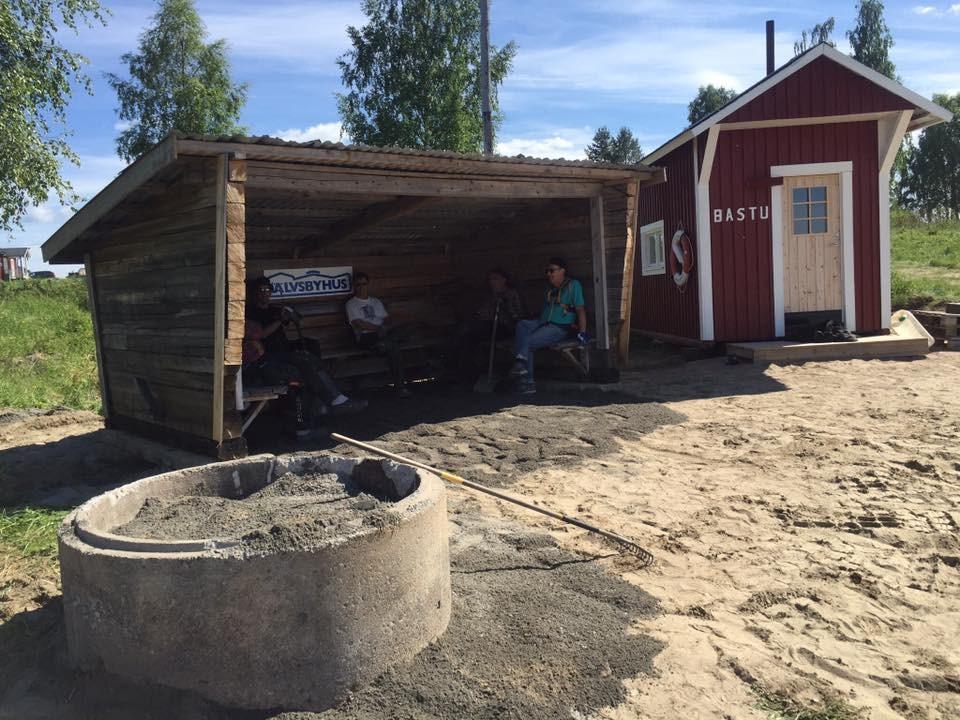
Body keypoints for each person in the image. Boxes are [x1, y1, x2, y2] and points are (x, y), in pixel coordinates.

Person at [246, 276, 366, 415]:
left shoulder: (275, 310)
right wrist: (280, 320)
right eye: (261, 290)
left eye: (268, 289)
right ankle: (333, 399)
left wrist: (292, 313)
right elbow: (262, 334)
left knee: (311, 345)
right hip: (266, 353)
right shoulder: (251, 312)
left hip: (283, 347)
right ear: (255, 293)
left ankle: (323, 394)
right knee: (303, 359)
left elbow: (298, 321)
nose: (265, 292)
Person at [508, 257, 588, 395]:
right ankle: (521, 364)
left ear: (563, 271)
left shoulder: (573, 285)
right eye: (547, 271)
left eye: (552, 271)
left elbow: (580, 310)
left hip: (560, 327)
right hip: (543, 323)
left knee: (528, 343)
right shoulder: (549, 289)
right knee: (522, 325)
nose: (549, 274)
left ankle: (526, 381)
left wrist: (582, 332)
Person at [242, 319, 319, 440]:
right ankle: (302, 428)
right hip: (254, 378)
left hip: (260, 374)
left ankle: (299, 424)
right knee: (298, 384)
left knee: (297, 378)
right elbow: (259, 339)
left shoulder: (253, 343)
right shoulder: (247, 344)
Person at [450, 268, 526, 384]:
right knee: (466, 335)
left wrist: (504, 306)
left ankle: (466, 372)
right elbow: (483, 312)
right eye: (491, 279)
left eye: (495, 279)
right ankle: (462, 370)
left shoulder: (511, 294)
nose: (492, 282)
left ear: (504, 280)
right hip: (488, 326)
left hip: (504, 328)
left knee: (471, 335)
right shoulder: (492, 295)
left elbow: (517, 315)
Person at [345, 271, 412, 397]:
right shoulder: (351, 304)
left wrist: (389, 323)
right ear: (354, 286)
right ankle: (400, 387)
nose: (361, 287)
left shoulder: (375, 301)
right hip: (366, 336)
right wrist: (379, 329)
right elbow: (359, 324)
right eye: (358, 284)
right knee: (393, 346)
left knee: (407, 327)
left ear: (368, 285)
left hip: (383, 334)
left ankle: (384, 343)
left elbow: (386, 318)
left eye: (364, 284)